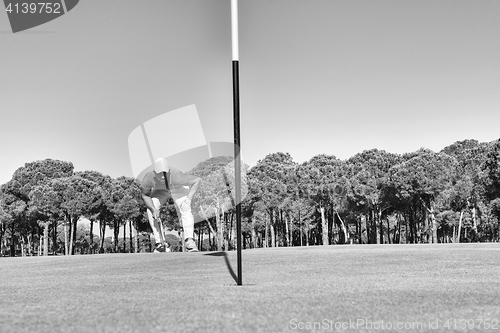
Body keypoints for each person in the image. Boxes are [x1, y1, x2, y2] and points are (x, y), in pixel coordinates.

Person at [140, 157, 201, 252]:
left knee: (185, 209)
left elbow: (197, 180)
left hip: (178, 189)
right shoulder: (149, 177)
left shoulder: (177, 175)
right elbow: (145, 195)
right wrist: (153, 209)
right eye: (160, 174)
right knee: (150, 210)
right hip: (160, 190)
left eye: (165, 173)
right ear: (155, 172)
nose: (163, 176)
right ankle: (160, 243)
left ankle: (190, 241)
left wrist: (188, 199)